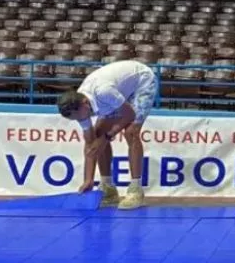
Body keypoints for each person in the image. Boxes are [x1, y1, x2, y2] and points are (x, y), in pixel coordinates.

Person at [56, 60, 160, 210]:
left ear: (85, 104)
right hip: (119, 92)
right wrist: (88, 180)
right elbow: (91, 144)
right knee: (98, 133)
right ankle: (108, 188)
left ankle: (136, 190)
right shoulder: (79, 107)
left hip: (142, 82)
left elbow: (129, 114)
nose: (81, 120)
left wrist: (107, 137)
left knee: (131, 132)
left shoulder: (103, 92)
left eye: (79, 117)